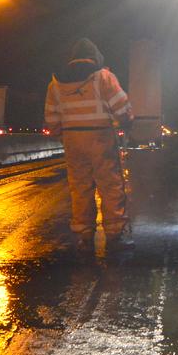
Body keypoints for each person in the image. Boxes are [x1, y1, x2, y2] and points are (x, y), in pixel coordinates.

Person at [44, 37, 133, 251]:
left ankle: (84, 233)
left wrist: (63, 135)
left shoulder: (55, 83)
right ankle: (114, 233)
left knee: (80, 187)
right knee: (110, 185)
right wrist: (127, 123)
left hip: (72, 140)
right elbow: (122, 108)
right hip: (100, 137)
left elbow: (51, 119)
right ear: (95, 58)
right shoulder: (103, 77)